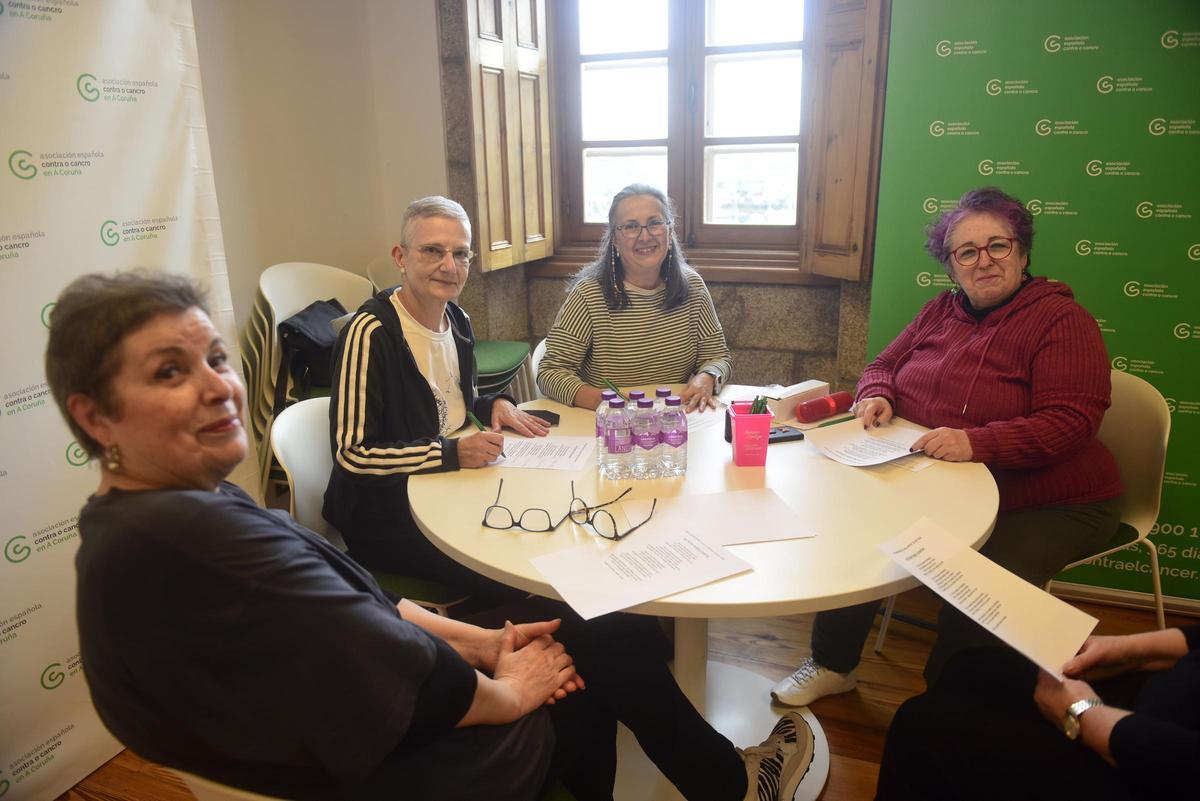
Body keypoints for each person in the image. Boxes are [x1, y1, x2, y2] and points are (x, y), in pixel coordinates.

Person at [49, 270, 816, 801]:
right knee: (603, 640)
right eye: (168, 372)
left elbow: (366, 607)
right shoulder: (194, 543)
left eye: (216, 358)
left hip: (343, 731)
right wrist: (507, 689)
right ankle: (734, 785)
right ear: (94, 415)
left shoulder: (157, 516)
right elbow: (389, 666)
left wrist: (488, 641)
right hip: (403, 770)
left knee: (588, 626)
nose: (218, 383)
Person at [773, 186, 1123, 707]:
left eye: (997, 246)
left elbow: (1070, 422)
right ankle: (832, 663)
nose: (984, 261)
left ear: (1022, 252)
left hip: (1049, 498)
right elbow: (882, 366)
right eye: (967, 252)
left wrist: (976, 442)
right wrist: (876, 396)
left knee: (976, 585)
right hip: (940, 478)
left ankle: (947, 709)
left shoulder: (1062, 320)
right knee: (856, 530)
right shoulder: (941, 310)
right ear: (952, 266)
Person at [323, 196, 550, 603]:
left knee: (545, 529)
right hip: (388, 514)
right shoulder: (370, 333)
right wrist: (451, 454)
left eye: (460, 253)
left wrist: (493, 404)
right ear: (400, 256)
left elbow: (455, 402)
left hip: (450, 486)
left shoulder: (456, 318)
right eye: (432, 251)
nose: (449, 265)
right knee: (524, 571)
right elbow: (353, 454)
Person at [875, 626, 1199, 800]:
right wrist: (1128, 649)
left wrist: (1082, 714)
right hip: (1165, 696)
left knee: (921, 726)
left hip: (1153, 771)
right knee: (973, 665)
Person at [537, 183, 732, 412]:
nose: (645, 236)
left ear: (670, 233)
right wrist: (599, 400)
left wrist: (706, 378)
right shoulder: (589, 294)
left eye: (655, 223)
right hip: (606, 426)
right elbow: (550, 372)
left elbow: (718, 357)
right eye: (630, 227)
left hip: (671, 421)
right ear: (615, 240)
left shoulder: (693, 287)